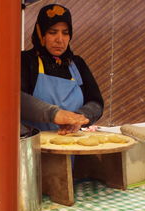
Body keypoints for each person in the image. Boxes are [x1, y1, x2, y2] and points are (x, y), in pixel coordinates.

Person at [21, 4, 103, 134]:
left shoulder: (77, 63)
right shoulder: (26, 61)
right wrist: (54, 114)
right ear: (40, 33)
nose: (60, 40)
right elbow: (15, 99)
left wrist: (78, 118)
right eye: (52, 32)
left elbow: (96, 102)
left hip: (71, 145)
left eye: (65, 33)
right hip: (34, 147)